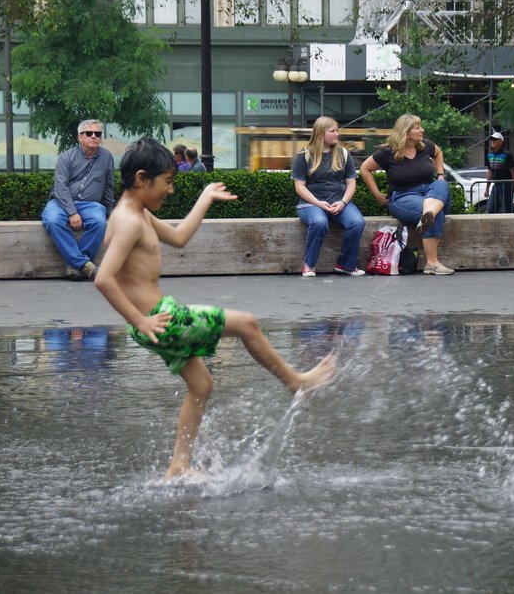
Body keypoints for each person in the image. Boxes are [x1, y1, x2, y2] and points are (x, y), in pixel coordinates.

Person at [93, 137, 335, 480]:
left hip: (155, 319)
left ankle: (179, 466)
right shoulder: (130, 221)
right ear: (142, 178)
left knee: (202, 385)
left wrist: (205, 198)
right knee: (247, 323)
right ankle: (295, 382)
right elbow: (104, 278)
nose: (171, 191)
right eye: (167, 183)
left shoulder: (134, 213)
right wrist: (141, 321)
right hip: (162, 320)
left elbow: (179, 238)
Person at [359, 114, 454, 275]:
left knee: (441, 184)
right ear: (406, 132)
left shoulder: (426, 146)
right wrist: (377, 194)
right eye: (417, 127)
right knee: (435, 215)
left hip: (430, 193)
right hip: (403, 197)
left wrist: (440, 174)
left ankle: (429, 212)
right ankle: (432, 263)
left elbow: (438, 154)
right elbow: (365, 169)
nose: (422, 130)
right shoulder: (387, 152)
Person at [291, 116, 366, 277]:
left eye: (337, 130)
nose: (337, 134)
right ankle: (309, 265)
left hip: (339, 201)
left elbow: (351, 183)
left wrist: (343, 202)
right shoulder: (303, 155)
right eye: (332, 131)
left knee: (357, 222)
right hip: (310, 203)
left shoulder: (343, 154)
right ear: (320, 134)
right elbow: (299, 187)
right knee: (319, 222)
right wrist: (318, 203)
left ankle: (346, 264)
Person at [41, 119, 115, 281]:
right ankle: (85, 265)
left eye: (98, 134)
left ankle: (75, 266)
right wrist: (72, 212)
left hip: (91, 205)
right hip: (61, 203)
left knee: (99, 221)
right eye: (89, 133)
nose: (94, 137)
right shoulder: (66, 157)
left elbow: (109, 185)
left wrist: (109, 211)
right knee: (52, 220)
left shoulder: (107, 157)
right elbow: (60, 187)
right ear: (80, 137)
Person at [483, 131, 514, 214]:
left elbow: (513, 171)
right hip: (496, 185)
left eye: (495, 139)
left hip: (506, 185)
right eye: (491, 140)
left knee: (507, 209)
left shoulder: (507, 155)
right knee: (490, 209)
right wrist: (487, 188)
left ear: (501, 141)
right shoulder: (490, 155)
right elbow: (490, 171)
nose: (493, 141)